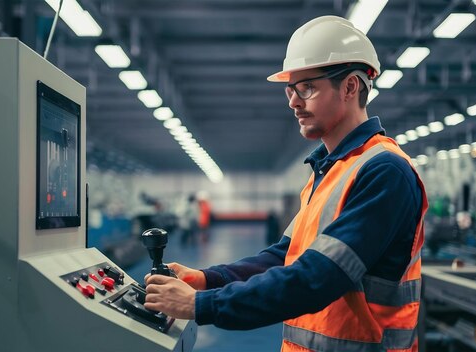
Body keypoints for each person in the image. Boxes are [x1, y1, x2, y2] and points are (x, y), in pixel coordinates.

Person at [144, 15, 428, 352]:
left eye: (306, 87)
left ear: (351, 87)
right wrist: (208, 279)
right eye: (290, 89)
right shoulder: (329, 170)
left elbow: (315, 278)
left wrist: (201, 305)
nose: (293, 102)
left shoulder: (385, 172)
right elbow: (283, 258)